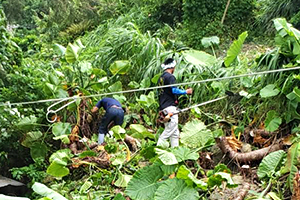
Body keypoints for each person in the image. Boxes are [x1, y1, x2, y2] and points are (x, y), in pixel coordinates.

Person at [157, 58, 193, 147]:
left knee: (175, 133)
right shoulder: (170, 77)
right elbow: (174, 90)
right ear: (172, 67)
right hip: (170, 107)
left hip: (163, 107)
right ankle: (158, 148)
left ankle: (175, 150)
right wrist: (186, 92)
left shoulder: (161, 78)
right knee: (170, 129)